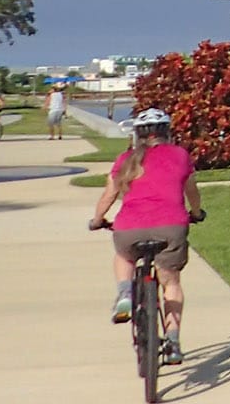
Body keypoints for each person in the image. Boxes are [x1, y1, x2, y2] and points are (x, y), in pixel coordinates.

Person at [87, 110, 204, 365]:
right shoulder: (180, 156)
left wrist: (97, 221)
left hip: (129, 227)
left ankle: (125, 294)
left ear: (137, 135)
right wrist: (197, 213)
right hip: (171, 226)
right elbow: (192, 192)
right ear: (167, 132)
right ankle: (172, 342)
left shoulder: (126, 160)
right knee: (171, 283)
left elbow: (109, 196)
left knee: (124, 256)